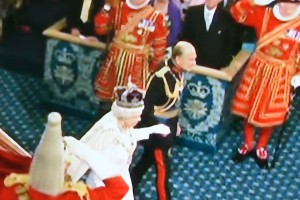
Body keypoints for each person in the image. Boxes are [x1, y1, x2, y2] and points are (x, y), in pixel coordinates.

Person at [66, 82, 171, 200]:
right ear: (125, 117)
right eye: (136, 116)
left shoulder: (125, 128)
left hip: (121, 178)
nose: (140, 119)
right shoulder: (107, 132)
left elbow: (130, 137)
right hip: (102, 183)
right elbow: (88, 155)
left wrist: (153, 130)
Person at [230, 0, 300, 169]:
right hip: (259, 67)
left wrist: (298, 73)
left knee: (271, 113)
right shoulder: (264, 13)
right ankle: (248, 143)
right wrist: (254, 1)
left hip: (283, 72)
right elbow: (237, 14)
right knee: (249, 107)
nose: (286, 6)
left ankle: (261, 146)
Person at [0, 112, 129, 200]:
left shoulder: (10, 189)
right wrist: (85, 152)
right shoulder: (75, 197)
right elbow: (119, 187)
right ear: (66, 165)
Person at [130, 41, 197, 200]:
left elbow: (174, 103)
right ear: (178, 59)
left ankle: (129, 185)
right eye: (191, 59)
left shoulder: (179, 72)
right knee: (163, 168)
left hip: (169, 125)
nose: (194, 63)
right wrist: (159, 129)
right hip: (157, 131)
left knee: (147, 160)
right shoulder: (160, 78)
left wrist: (176, 125)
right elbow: (146, 110)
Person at [93, 0, 168, 102]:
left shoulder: (156, 16)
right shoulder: (117, 8)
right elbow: (100, 29)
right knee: (105, 104)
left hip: (137, 69)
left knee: (131, 107)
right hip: (113, 64)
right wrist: (107, 6)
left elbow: (159, 51)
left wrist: (149, 71)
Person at [181, 0, 240, 70]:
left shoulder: (227, 17)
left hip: (216, 70)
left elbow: (229, 47)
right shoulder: (192, 12)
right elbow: (185, 40)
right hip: (193, 67)